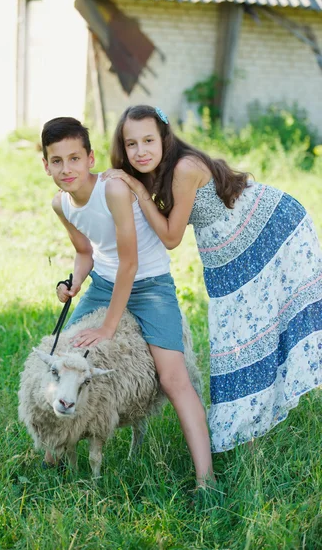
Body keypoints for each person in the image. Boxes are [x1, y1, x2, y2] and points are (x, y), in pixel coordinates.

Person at [102, 104, 322, 454]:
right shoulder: (158, 171)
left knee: (250, 331)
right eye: (131, 144)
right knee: (235, 338)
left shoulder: (185, 168)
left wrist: (140, 193)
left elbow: (171, 237)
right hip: (227, 254)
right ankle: (247, 432)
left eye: (148, 140)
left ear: (165, 139)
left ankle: (248, 430)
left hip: (267, 232)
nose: (141, 150)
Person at [41, 116, 214, 485]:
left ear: (90, 159)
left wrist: (108, 326)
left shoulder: (113, 191)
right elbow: (85, 252)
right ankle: (52, 451)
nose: (66, 168)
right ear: (46, 165)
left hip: (150, 286)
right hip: (104, 283)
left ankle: (206, 478)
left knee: (173, 378)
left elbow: (131, 263)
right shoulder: (61, 204)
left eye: (75, 158)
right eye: (57, 161)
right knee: (64, 357)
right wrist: (72, 283)